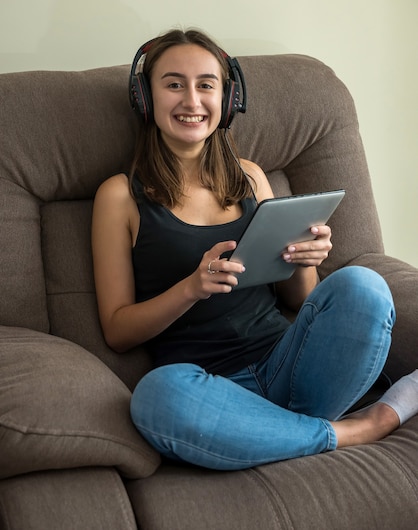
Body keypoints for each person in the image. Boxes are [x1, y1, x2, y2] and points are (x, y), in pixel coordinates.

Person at [92, 28, 418, 470]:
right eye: (173, 84)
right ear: (145, 99)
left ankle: (277, 434)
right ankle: (356, 427)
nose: (192, 100)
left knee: (364, 285)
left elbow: (300, 300)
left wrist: (304, 259)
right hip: (210, 390)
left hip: (292, 364)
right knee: (156, 396)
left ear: (227, 99)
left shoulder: (249, 177)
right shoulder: (120, 197)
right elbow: (117, 330)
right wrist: (191, 288)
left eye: (206, 85)